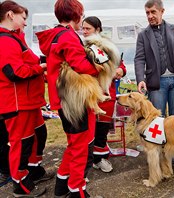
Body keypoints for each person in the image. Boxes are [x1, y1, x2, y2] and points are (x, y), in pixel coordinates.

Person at [36, 1, 102, 197]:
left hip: (63, 99)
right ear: (77, 15)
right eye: (81, 15)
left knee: (74, 144)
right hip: (75, 101)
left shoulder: (55, 36)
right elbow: (80, 65)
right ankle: (77, 190)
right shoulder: (68, 36)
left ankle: (62, 185)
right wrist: (100, 66)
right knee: (81, 147)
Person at [0, 0, 52, 196]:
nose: (25, 23)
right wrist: (42, 68)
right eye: (23, 18)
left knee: (38, 135)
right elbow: (14, 72)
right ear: (11, 15)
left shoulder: (15, 39)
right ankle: (20, 185)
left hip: (29, 101)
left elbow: (28, 61)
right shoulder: (5, 40)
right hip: (16, 102)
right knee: (21, 143)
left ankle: (33, 170)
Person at [134, 0, 174, 117]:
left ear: (162, 11)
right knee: (157, 118)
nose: (150, 16)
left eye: (153, 12)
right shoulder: (143, 35)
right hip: (156, 83)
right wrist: (140, 79)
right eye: (147, 13)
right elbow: (139, 59)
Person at [82, 16, 127, 173]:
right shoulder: (80, 46)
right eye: (83, 28)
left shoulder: (108, 46)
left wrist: (121, 70)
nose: (84, 31)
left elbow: (119, 64)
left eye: (88, 28)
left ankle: (99, 158)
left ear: (98, 29)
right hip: (88, 94)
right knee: (88, 130)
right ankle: (87, 159)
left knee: (102, 128)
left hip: (106, 94)